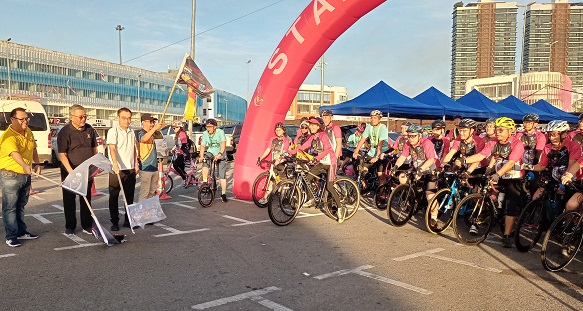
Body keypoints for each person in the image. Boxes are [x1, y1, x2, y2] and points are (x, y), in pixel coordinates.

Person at [465, 117, 525, 248]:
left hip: (513, 178)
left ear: (510, 131)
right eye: (497, 130)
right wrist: (465, 161)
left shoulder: (517, 144)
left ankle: (507, 235)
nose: (497, 132)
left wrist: (498, 174)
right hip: (498, 175)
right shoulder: (493, 142)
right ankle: (488, 212)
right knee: (481, 190)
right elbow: (481, 156)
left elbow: (511, 162)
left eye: (501, 130)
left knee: (510, 206)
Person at [0, 107, 41, 247]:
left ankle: (21, 231)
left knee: (21, 205)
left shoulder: (28, 131)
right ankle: (11, 236)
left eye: (27, 118)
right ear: (12, 120)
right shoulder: (8, 136)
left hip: (25, 174)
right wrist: (24, 165)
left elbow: (33, 147)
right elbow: (14, 153)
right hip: (10, 174)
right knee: (10, 207)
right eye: (22, 119)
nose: (25, 121)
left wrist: (37, 163)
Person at [57, 104, 97, 236]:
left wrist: (95, 164)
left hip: (87, 169)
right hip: (71, 170)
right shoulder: (64, 132)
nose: (83, 119)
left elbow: (94, 149)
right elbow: (62, 154)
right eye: (80, 116)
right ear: (71, 117)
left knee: (86, 198)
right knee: (69, 198)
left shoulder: (89, 129)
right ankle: (70, 226)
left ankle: (87, 225)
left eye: (85, 116)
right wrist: (71, 172)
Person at [296, 116, 345, 222]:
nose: (311, 127)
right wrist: (289, 152)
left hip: (330, 162)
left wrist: (316, 158)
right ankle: (313, 198)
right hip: (322, 162)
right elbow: (303, 147)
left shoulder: (323, 135)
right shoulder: (312, 137)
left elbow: (327, 150)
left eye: (313, 125)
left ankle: (340, 208)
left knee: (329, 187)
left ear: (318, 126)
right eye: (311, 125)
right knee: (307, 178)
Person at [390, 124, 438, 228]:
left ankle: (434, 217)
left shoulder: (427, 143)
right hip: (416, 168)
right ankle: (414, 197)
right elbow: (403, 157)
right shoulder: (408, 144)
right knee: (402, 178)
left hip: (430, 169)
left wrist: (421, 170)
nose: (410, 138)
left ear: (419, 136)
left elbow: (431, 159)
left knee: (430, 195)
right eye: (409, 136)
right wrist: (395, 167)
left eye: (413, 136)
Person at [526, 121, 580, 205]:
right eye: (549, 135)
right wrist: (528, 167)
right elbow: (541, 166)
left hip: (569, 178)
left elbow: (571, 166)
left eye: (554, 135)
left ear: (564, 135)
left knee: (565, 204)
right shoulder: (548, 147)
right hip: (552, 177)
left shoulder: (573, 145)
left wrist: (563, 182)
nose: (551, 138)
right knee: (535, 198)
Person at [107, 107, 139, 231]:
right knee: (114, 196)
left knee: (129, 196)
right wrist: (115, 164)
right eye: (124, 118)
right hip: (117, 169)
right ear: (118, 118)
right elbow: (112, 148)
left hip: (130, 168)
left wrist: (136, 164)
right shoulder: (113, 131)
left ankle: (128, 220)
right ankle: (114, 221)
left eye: (129, 118)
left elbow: (134, 149)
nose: (127, 121)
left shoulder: (131, 131)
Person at [352, 110, 390, 186]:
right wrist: (356, 151)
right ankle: (365, 188)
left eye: (375, 118)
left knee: (380, 175)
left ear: (379, 119)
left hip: (382, 152)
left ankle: (383, 195)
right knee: (363, 171)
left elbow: (380, 144)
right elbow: (363, 139)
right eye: (372, 118)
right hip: (371, 151)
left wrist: (377, 157)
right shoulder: (369, 126)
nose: (373, 120)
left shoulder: (383, 128)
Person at [257, 123, 292, 204]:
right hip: (274, 162)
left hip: (282, 162)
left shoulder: (286, 141)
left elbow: (284, 152)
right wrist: (261, 158)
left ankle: (282, 199)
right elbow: (268, 149)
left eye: (279, 130)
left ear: (283, 131)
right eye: (276, 130)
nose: (278, 131)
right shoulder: (273, 139)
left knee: (282, 182)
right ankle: (265, 198)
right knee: (271, 180)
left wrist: (279, 160)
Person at [198, 118, 228, 202]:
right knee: (205, 162)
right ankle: (204, 182)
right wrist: (201, 156)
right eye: (207, 127)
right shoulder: (205, 134)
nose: (208, 128)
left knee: (222, 175)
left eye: (210, 127)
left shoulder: (220, 132)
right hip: (211, 152)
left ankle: (223, 194)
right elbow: (203, 146)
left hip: (220, 153)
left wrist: (220, 154)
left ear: (215, 127)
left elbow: (223, 143)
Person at [137, 113, 164, 201]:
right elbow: (143, 139)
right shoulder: (141, 133)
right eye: (150, 122)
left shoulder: (152, 133)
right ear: (143, 122)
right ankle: (141, 212)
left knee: (152, 192)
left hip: (154, 167)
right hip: (146, 167)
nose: (152, 124)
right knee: (145, 192)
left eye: (153, 122)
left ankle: (148, 211)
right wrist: (154, 129)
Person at [171, 120, 191, 187]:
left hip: (184, 154)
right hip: (180, 153)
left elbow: (184, 143)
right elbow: (177, 144)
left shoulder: (182, 133)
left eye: (175, 128)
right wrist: (174, 149)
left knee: (175, 165)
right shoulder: (177, 134)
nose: (174, 129)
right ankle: (186, 178)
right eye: (173, 128)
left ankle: (184, 178)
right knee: (181, 168)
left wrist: (180, 150)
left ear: (179, 127)